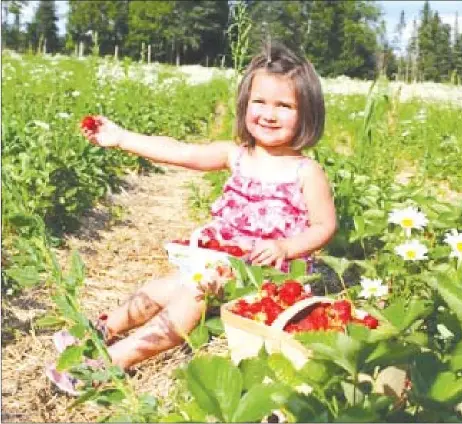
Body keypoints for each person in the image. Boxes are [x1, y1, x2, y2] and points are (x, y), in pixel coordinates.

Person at [46, 41, 337, 394]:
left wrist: (286, 246)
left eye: (284, 106)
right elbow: (180, 152)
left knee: (190, 297)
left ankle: (113, 363)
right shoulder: (237, 155)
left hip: (264, 275)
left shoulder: (306, 171)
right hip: (221, 262)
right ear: (245, 105)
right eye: (259, 102)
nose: (268, 114)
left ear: (307, 113)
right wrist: (121, 138)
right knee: (161, 287)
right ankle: (98, 331)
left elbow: (324, 226)